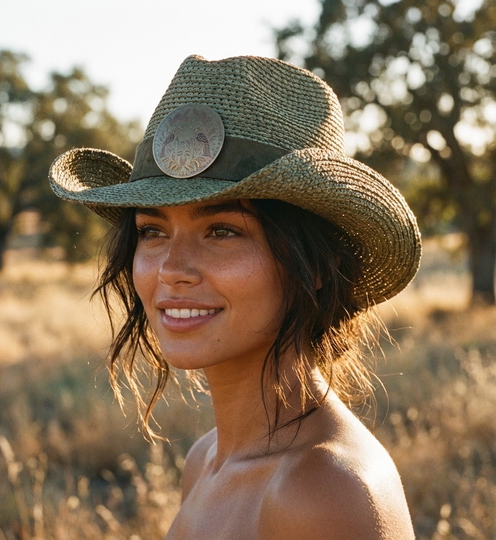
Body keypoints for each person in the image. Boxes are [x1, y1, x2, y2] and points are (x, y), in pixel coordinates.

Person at [49, 55, 421, 539]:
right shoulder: (205, 459)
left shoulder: (323, 491)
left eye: (221, 230)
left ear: (316, 269)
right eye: (152, 231)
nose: (171, 269)